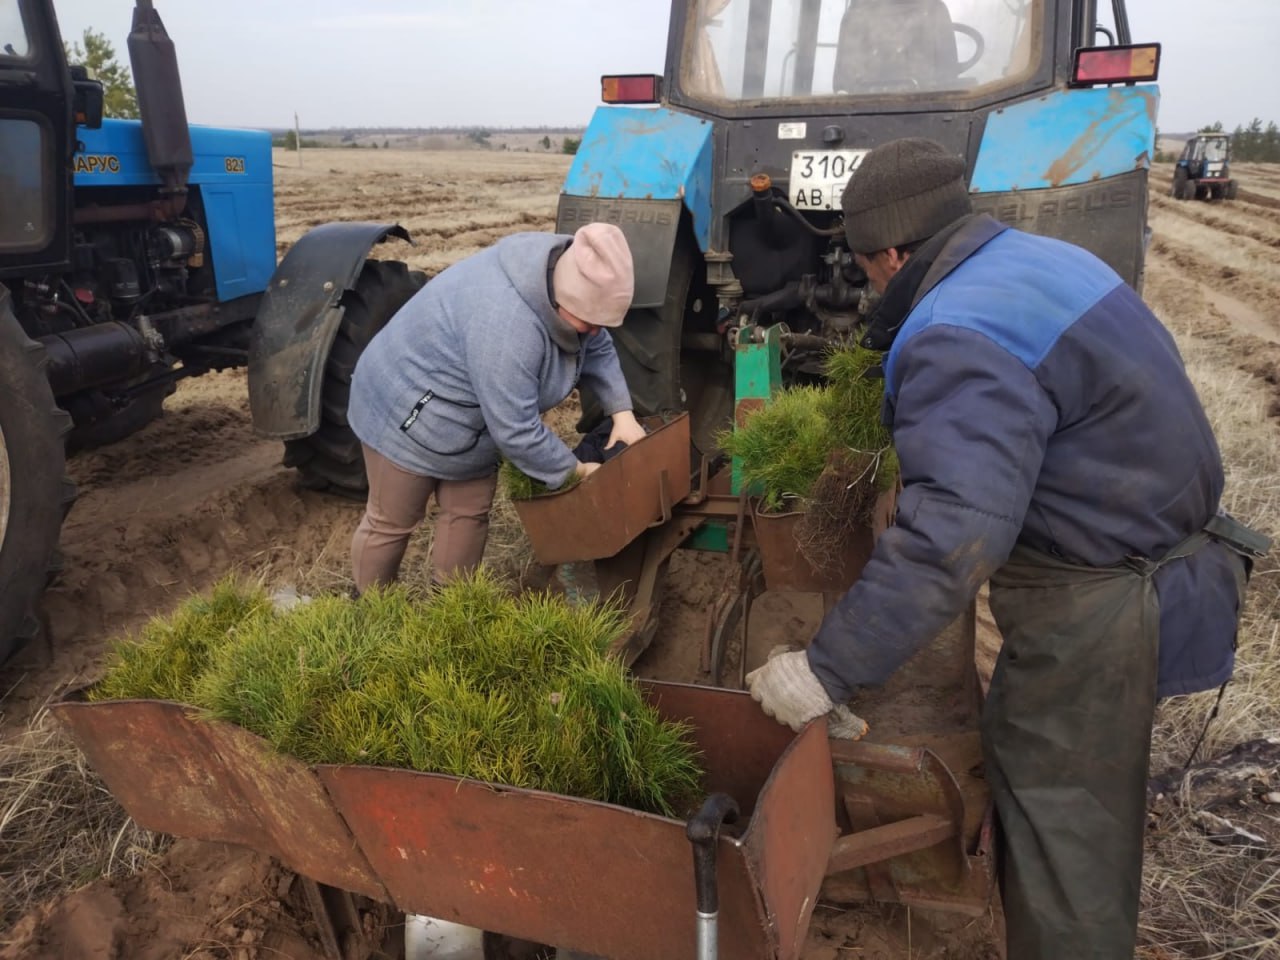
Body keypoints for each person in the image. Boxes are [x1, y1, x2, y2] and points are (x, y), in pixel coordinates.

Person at [745, 138, 1263, 959]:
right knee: (1059, 785)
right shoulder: (1042, 261)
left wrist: (824, 671)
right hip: (1146, 547)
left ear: (886, 253)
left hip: (1106, 597)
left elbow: (954, 535)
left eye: (863, 262)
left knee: (1063, 824)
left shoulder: (956, 333)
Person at [346, 222, 646, 592]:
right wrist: (575, 471)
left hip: (471, 420)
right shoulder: (506, 327)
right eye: (589, 321)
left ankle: (454, 606)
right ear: (562, 299)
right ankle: (370, 609)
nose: (595, 331)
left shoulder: (566, 276)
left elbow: (595, 344)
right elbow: (517, 431)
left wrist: (623, 414)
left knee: (470, 511)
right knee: (393, 519)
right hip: (404, 407)